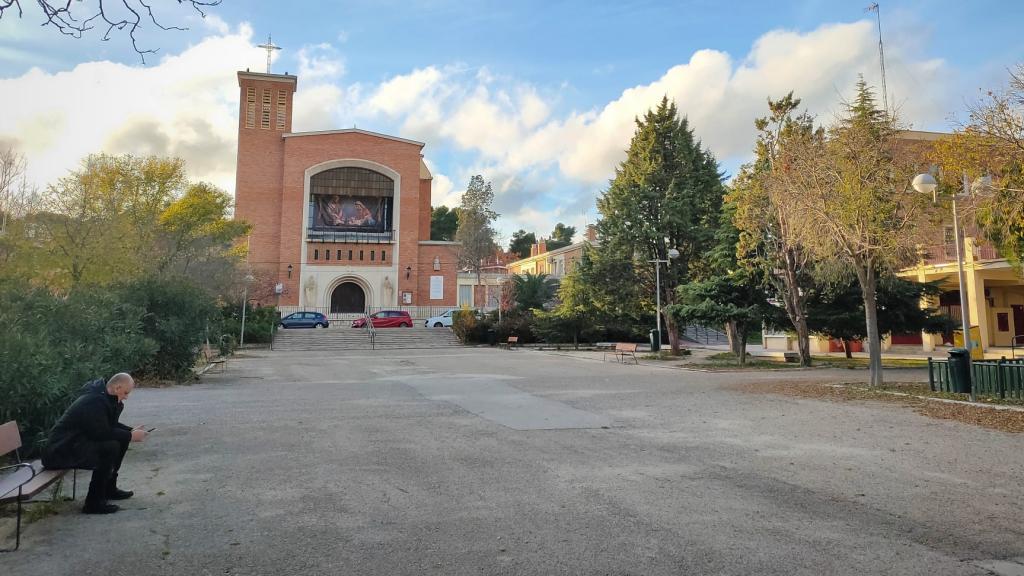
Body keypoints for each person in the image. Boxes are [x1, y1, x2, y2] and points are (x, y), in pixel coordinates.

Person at [42, 373, 148, 514]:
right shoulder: (93, 401)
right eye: (125, 393)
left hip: (74, 445)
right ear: (117, 388)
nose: (126, 397)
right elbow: (99, 433)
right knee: (110, 447)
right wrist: (130, 435)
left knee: (120, 441)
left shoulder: (107, 398)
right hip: (59, 451)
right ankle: (93, 503)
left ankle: (108, 489)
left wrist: (130, 431)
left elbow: (109, 425)